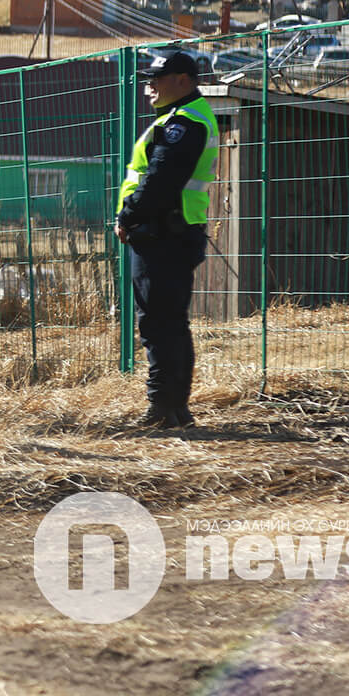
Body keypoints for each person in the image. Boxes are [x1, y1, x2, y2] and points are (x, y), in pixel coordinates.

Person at [115, 51, 219, 430]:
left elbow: (159, 180)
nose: (149, 88)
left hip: (162, 233)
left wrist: (127, 215)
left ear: (182, 80)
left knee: (157, 323)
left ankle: (161, 408)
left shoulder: (183, 123)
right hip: (175, 230)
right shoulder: (185, 118)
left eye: (156, 79)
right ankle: (176, 408)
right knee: (172, 323)